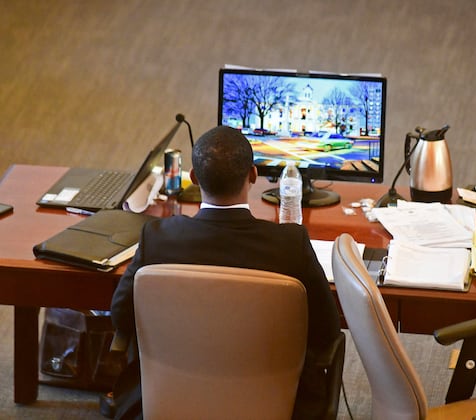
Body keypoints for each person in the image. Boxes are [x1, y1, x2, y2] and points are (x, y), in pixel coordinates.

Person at [108, 125, 341, 419]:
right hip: (277, 404)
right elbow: (327, 333)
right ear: (253, 175)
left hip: (171, 400)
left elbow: (121, 316)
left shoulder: (157, 238)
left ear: (192, 178)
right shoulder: (290, 244)